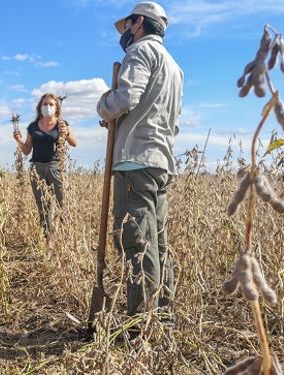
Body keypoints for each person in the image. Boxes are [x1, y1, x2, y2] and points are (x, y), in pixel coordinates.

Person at [96, 1, 183, 320]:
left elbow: (127, 97)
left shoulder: (140, 53)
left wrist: (104, 106)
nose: (126, 33)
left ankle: (141, 323)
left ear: (139, 23)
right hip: (161, 161)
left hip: (134, 161)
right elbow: (172, 121)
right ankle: (162, 315)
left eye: (128, 26)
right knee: (157, 242)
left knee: (136, 241)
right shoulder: (174, 67)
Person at [13, 93, 77, 236]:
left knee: (63, 203)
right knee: (43, 207)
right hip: (37, 169)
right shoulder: (33, 127)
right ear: (40, 107)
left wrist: (66, 133)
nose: (48, 107)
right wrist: (19, 140)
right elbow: (27, 150)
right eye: (45, 104)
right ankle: (48, 239)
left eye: (51, 104)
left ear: (56, 107)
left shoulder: (62, 124)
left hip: (56, 168)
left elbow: (74, 143)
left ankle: (66, 238)